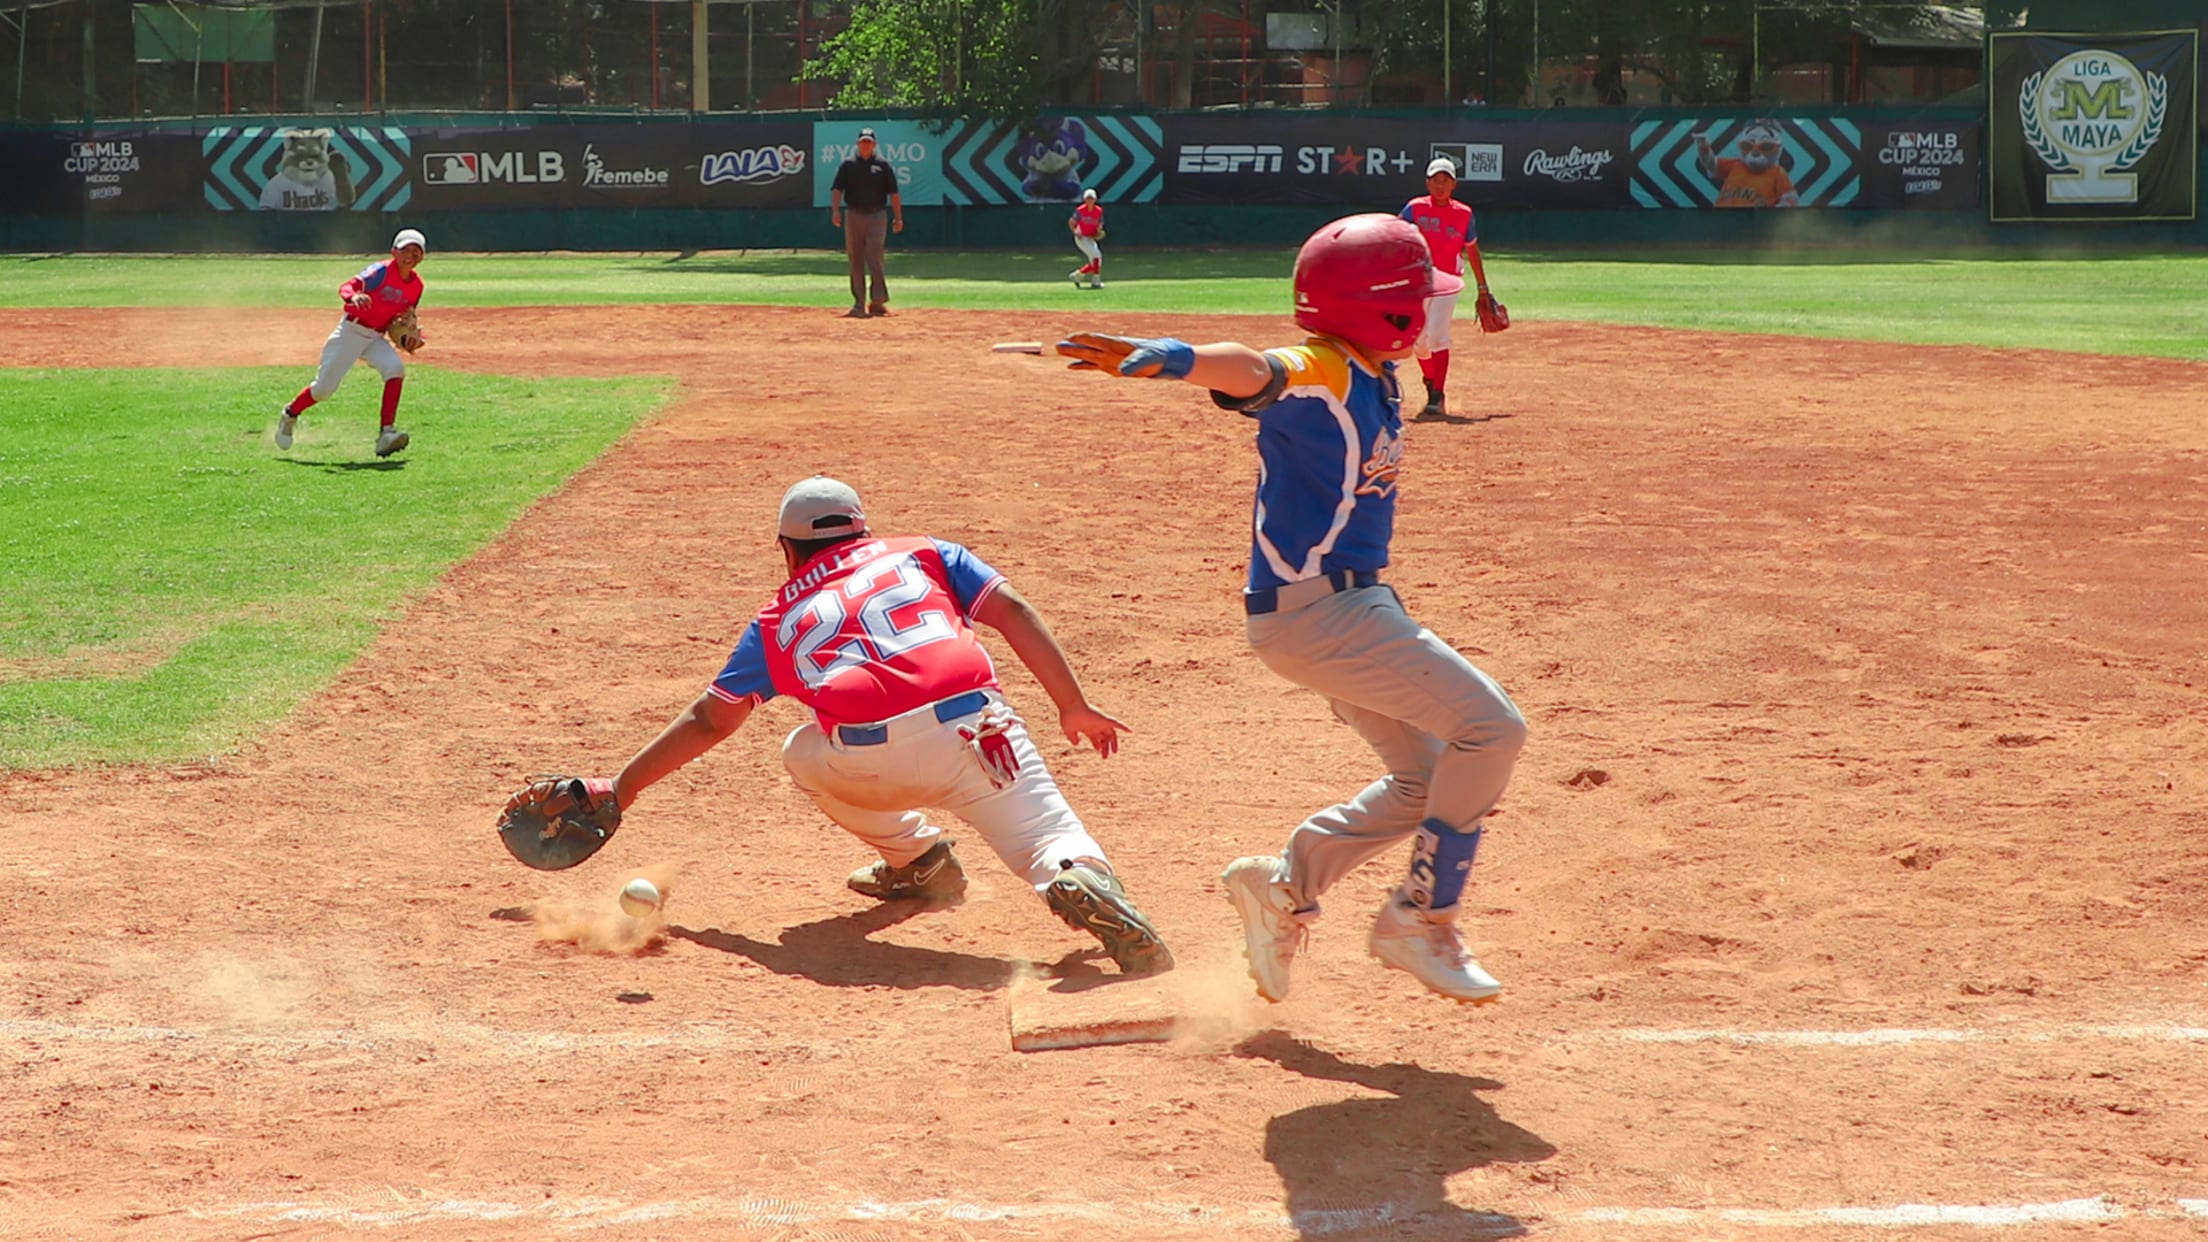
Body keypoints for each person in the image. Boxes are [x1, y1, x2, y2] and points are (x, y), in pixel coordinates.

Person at [1057, 214, 1528, 1005]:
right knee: (1492, 730)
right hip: (1324, 619)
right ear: (1387, 308)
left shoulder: (1373, 374)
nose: (1428, 308)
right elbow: (1256, 368)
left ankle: (1282, 886)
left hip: (1346, 612)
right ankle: (1423, 915)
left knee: (1420, 783)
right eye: (1418, 295)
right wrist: (1181, 361)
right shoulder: (1329, 369)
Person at [574, 476, 1174, 974]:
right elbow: (1011, 610)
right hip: (978, 735)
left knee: (800, 751)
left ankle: (919, 859)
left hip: (867, 762)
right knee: (1048, 837)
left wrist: (621, 787)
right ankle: (1075, 875)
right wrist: (1073, 705)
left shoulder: (775, 618)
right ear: (862, 527)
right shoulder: (926, 552)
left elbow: (709, 720)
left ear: (787, 549)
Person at [275, 227, 425, 458]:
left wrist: (410, 336)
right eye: (406, 249)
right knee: (323, 390)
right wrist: (352, 296)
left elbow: (405, 316)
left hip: (376, 337)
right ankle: (290, 413)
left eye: (416, 252)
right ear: (394, 251)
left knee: (395, 369)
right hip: (351, 331)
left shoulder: (417, 286)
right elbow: (347, 286)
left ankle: (386, 433)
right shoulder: (380, 271)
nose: (410, 256)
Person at [1398, 157, 1494, 421]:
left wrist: (1482, 287)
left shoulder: (1463, 213)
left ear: (1454, 184)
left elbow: (1472, 249)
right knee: (1418, 342)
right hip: (1418, 281)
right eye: (1435, 180)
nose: (1440, 186)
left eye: (1445, 181)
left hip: (1448, 282)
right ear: (1427, 182)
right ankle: (1430, 380)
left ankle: (1437, 395)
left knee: (1437, 333)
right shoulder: (1414, 209)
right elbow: (1396, 237)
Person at [828, 127, 905, 318]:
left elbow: (894, 194)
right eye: (862, 141)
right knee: (855, 259)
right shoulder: (848, 165)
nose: (865, 145)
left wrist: (898, 217)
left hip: (876, 215)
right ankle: (859, 303)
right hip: (854, 215)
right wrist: (836, 211)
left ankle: (877, 301)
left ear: (874, 145)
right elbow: (837, 189)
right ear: (857, 144)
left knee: (875, 257)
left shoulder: (883, 165)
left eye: (869, 142)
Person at [1695, 121, 1800, 208]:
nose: (1755, 151)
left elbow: (1791, 198)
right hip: (1722, 220)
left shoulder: (1777, 173)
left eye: (1766, 147)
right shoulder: (1735, 165)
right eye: (1747, 146)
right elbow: (1711, 164)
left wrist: (1772, 218)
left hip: (1754, 226)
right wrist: (1703, 147)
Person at [1068, 187, 1106, 289]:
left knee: (1097, 261)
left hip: (1090, 237)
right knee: (1097, 256)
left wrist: (1098, 231)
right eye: (1088, 198)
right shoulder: (1080, 210)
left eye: (1092, 198)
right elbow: (1072, 222)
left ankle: (1077, 275)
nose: (1090, 200)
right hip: (1081, 238)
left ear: (1095, 199)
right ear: (1084, 199)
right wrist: (1075, 231)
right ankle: (1096, 281)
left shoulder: (1098, 210)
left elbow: (1100, 224)